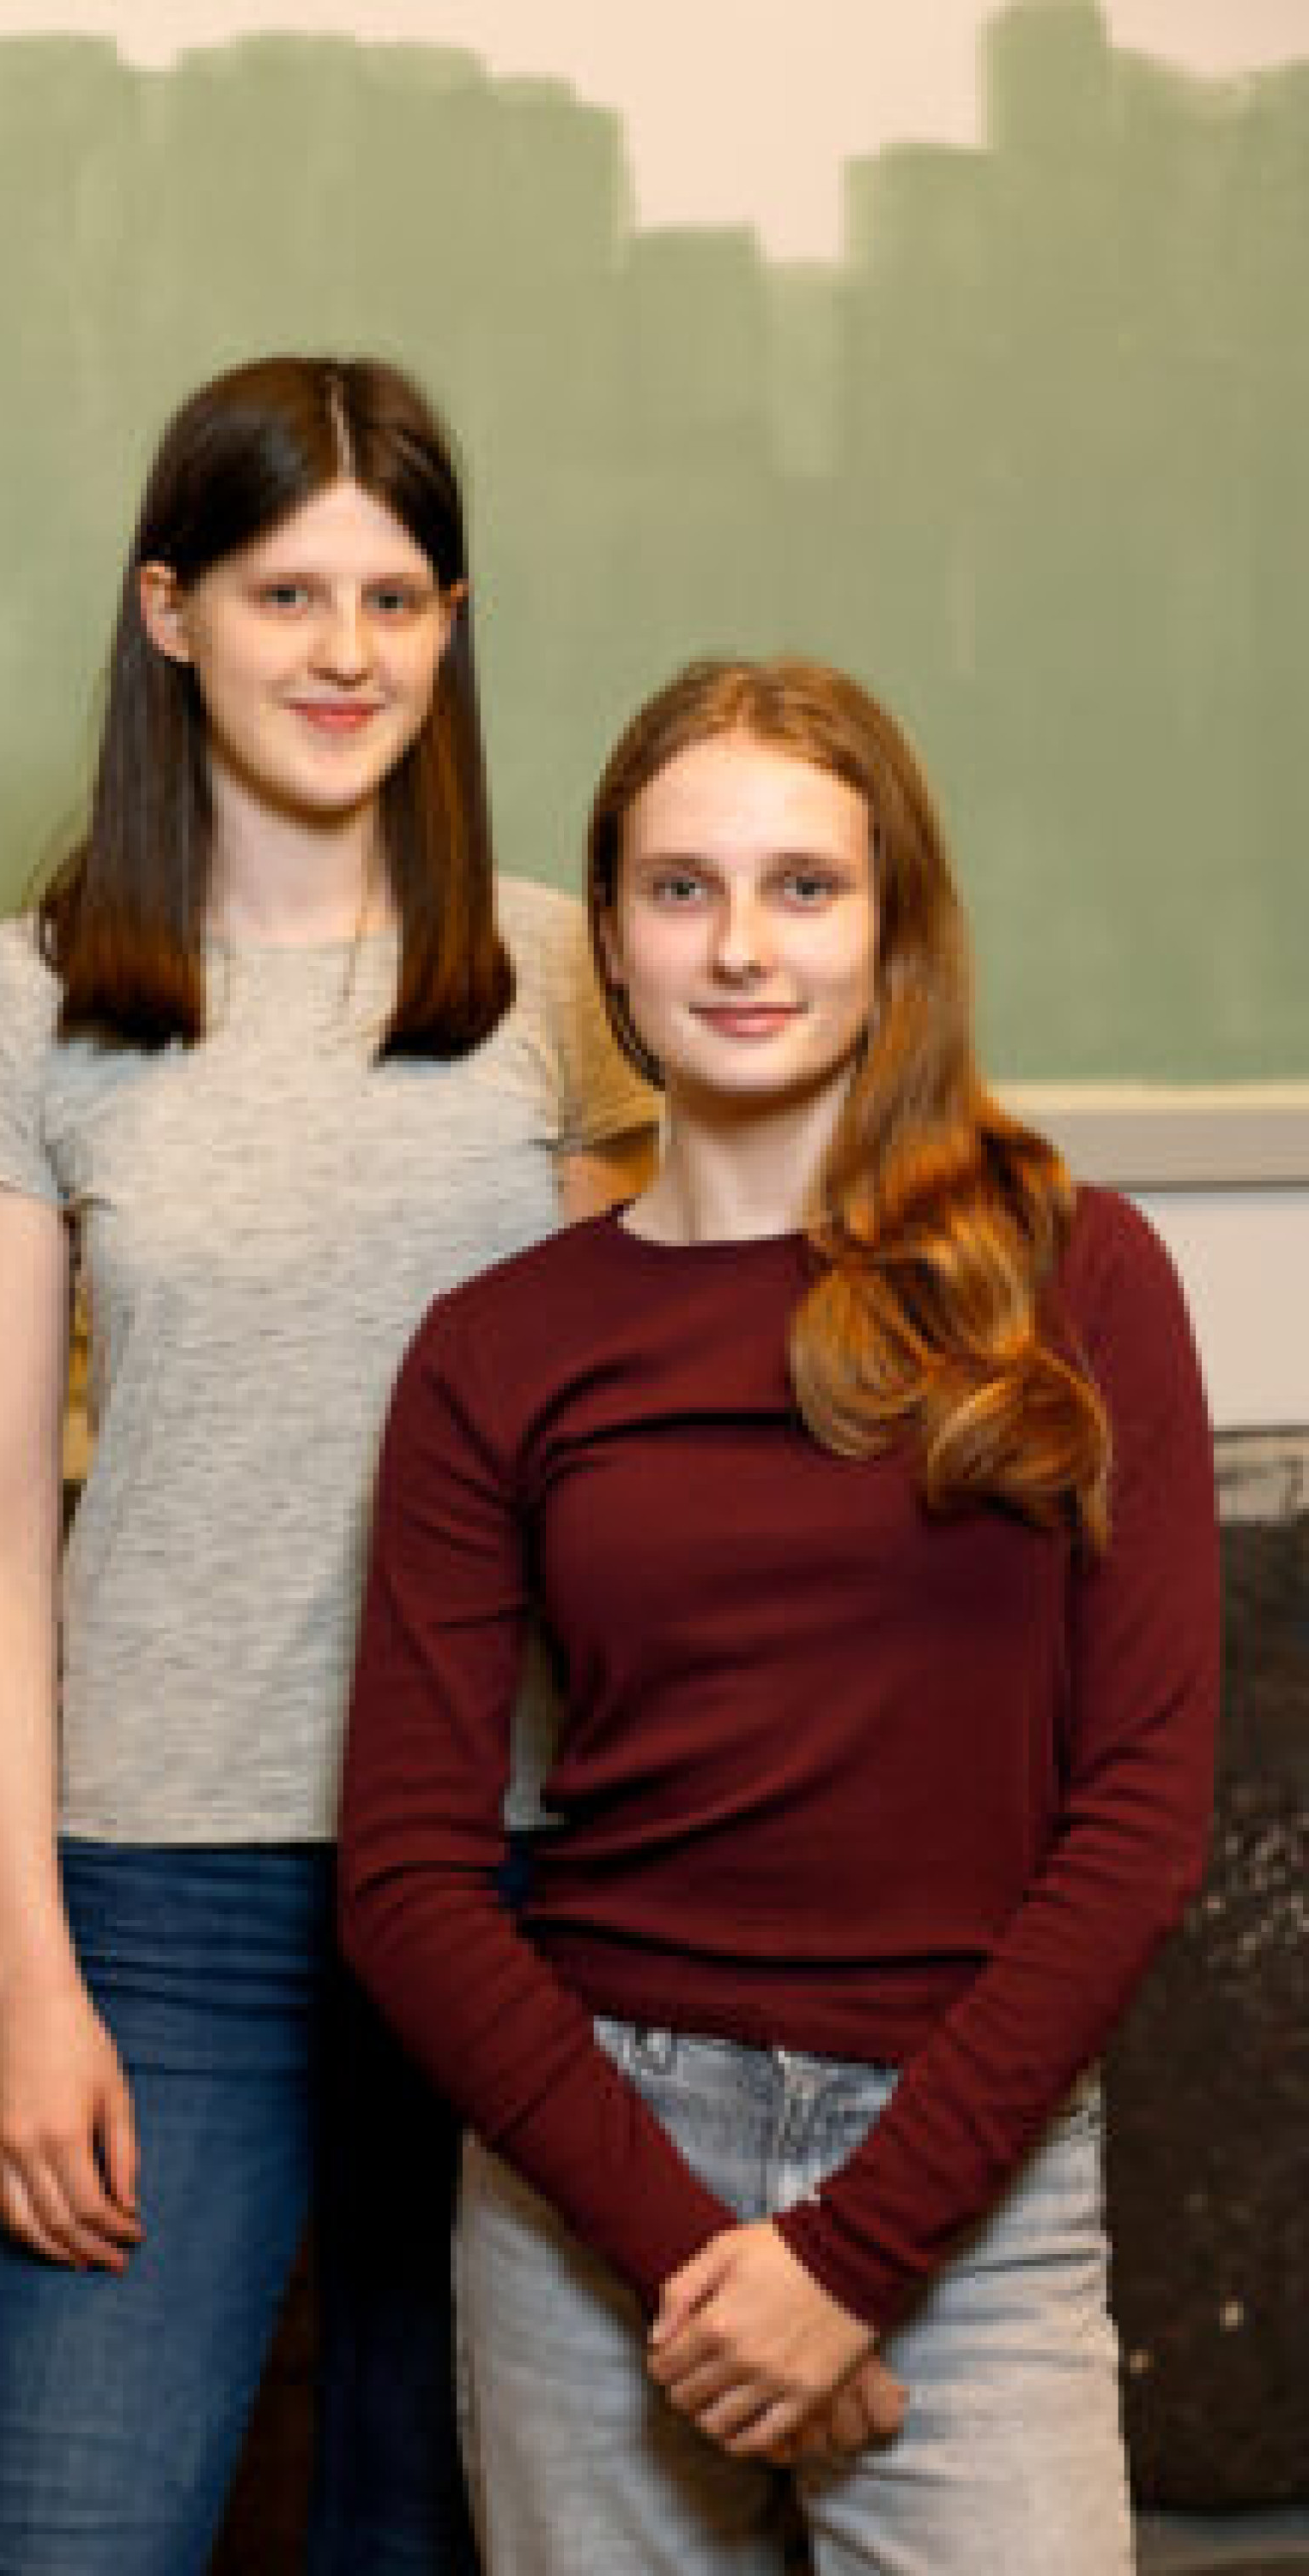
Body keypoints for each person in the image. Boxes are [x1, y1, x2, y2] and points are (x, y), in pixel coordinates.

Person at [339, 656, 1221, 2575]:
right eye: (681, 888)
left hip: (968, 2182)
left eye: (805, 886)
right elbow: (402, 1878)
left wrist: (856, 2254)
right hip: (593, 2191)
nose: (741, 946)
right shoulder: (494, 1350)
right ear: (609, 939)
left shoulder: (1078, 1274)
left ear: (893, 923)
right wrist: (702, 2263)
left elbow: (1141, 1825)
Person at [0, 354, 656, 2576]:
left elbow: (644, 1470)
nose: (346, 654)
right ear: (170, 611)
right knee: (60, 2544)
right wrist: (28, 1980)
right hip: (163, 1901)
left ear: (453, 624)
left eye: (400, 599)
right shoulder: (31, 996)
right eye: (286, 592)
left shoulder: (561, 977)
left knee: (437, 2536)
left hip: (529, 1882)